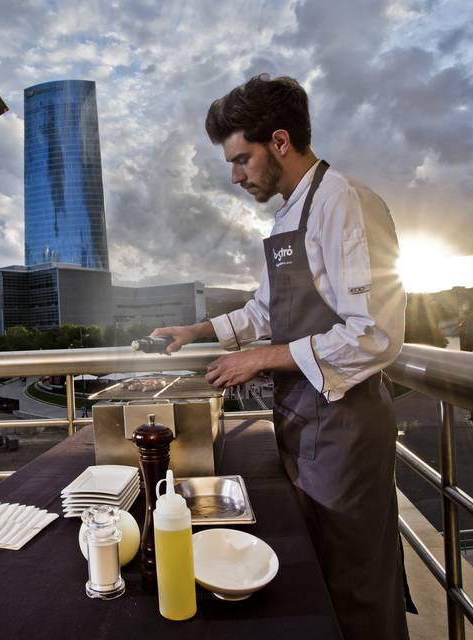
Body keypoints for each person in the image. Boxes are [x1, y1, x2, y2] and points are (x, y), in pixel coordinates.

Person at [152, 74, 411, 640]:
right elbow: (265, 313)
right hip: (302, 419)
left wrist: (263, 359)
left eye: (242, 159)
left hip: (345, 425)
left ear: (280, 141)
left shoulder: (346, 202)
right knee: (321, 570)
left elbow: (377, 334)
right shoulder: (291, 213)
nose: (236, 175)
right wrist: (198, 330)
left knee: (355, 578)